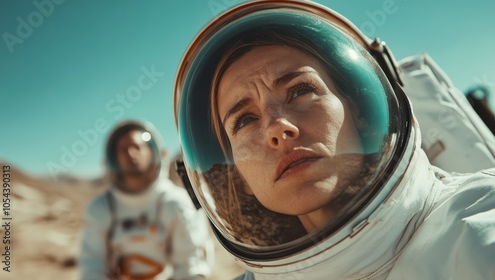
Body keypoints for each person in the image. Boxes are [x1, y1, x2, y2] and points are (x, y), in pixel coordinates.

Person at [172, 1, 495, 279]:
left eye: (300, 91)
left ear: (360, 111)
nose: (278, 127)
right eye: (245, 120)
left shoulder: (479, 231)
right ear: (239, 177)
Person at [78, 120, 213, 280]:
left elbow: (190, 268)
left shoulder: (178, 203)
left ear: (155, 152)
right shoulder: (101, 208)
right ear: (113, 158)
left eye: (137, 147)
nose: (131, 153)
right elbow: (92, 267)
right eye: (124, 149)